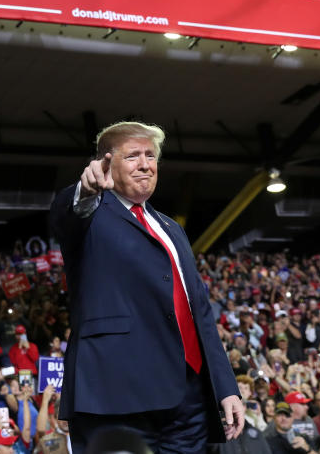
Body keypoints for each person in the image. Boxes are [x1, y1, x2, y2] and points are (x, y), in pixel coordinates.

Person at [49, 121, 243, 452]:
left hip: (188, 394)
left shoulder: (171, 227)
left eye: (151, 155)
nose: (145, 164)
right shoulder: (91, 211)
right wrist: (86, 190)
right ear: (106, 164)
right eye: (133, 156)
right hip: (117, 389)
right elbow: (68, 213)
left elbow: (199, 312)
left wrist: (226, 387)